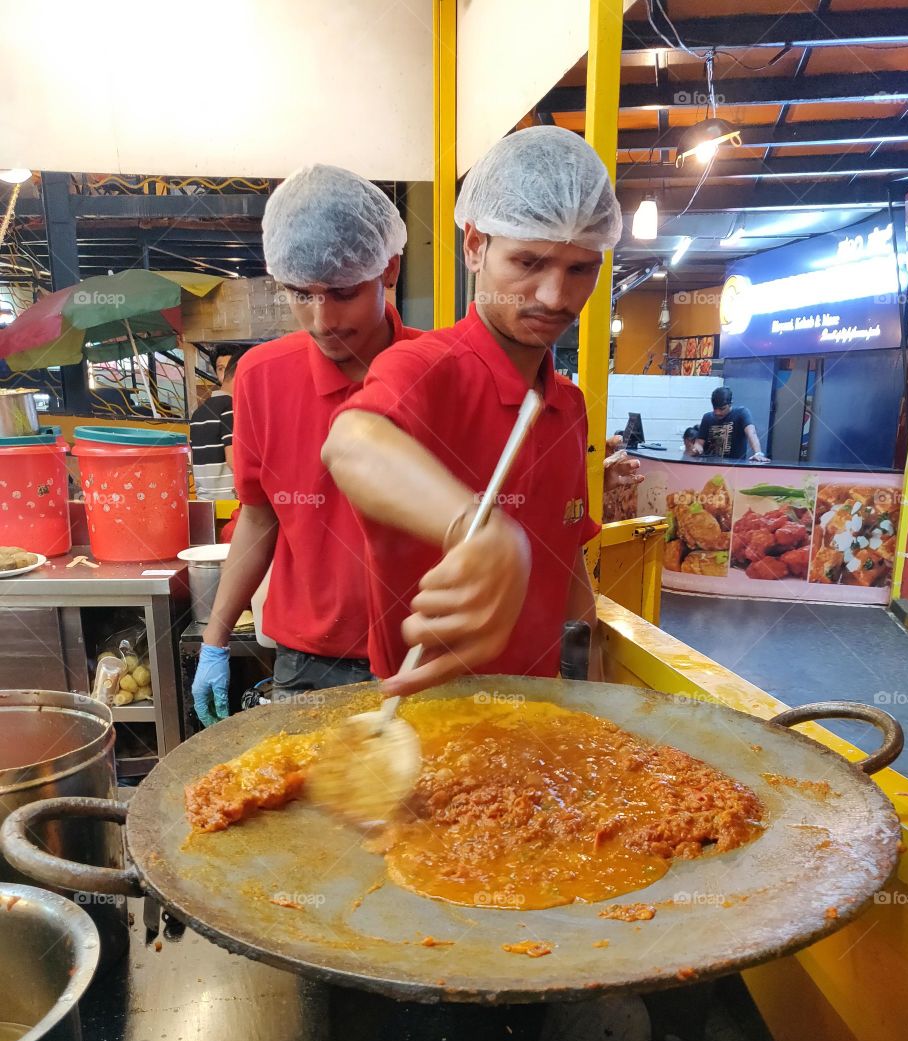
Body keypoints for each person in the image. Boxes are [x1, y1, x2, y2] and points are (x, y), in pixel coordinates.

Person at [324, 126, 622, 695]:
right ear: (474, 246)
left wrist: (595, 692)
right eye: (529, 262)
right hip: (427, 719)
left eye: (581, 269)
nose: (556, 297)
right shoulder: (424, 368)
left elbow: (567, 559)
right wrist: (479, 531)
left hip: (541, 714)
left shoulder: (568, 403)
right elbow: (352, 441)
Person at [191, 165, 417, 727]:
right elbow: (259, 515)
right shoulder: (261, 377)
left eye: (342, 293)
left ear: (387, 269)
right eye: (301, 294)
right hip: (306, 663)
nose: (322, 320)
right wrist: (216, 638)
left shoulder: (437, 373)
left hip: (422, 658)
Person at [189, 348, 240, 501]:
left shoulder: (198, 413)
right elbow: (234, 461)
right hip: (230, 500)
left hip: (205, 500)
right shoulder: (230, 407)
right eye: (220, 368)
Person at [698, 386, 768, 462]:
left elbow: (752, 433)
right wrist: (696, 448)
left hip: (734, 467)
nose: (717, 412)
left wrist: (758, 453)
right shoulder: (707, 417)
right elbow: (699, 443)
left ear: (730, 404)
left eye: (722, 409)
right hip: (710, 466)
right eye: (715, 408)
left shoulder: (741, 413)